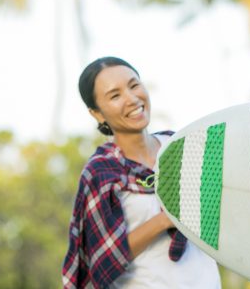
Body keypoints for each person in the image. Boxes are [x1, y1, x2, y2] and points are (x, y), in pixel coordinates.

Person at [62, 56, 221, 288]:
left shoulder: (182, 147)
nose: (131, 98)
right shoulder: (101, 171)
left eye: (134, 85)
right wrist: (164, 220)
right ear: (97, 113)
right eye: (115, 96)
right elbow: (100, 261)